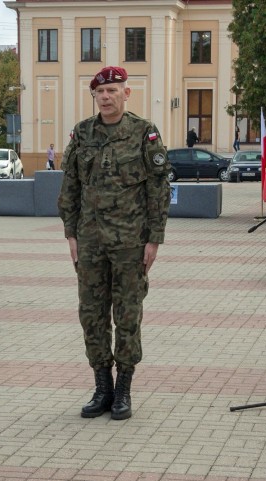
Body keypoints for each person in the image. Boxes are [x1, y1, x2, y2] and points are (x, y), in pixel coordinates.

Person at [58, 65, 171, 421]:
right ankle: (102, 386)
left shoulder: (144, 133)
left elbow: (158, 188)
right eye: (100, 92)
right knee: (91, 315)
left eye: (113, 91)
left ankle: (124, 388)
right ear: (94, 96)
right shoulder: (82, 133)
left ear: (127, 93)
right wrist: (71, 234)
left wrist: (154, 238)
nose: (106, 97)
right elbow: (71, 187)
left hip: (130, 242)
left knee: (127, 315)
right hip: (90, 241)